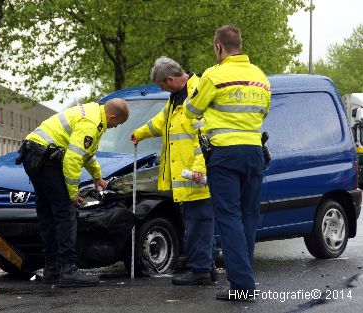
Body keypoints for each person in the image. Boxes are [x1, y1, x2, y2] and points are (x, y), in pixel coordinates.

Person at [184, 25, 271, 300]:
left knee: (229, 217)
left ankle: (243, 286)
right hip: (255, 152)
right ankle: (244, 280)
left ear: (218, 47)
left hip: (224, 155)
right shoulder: (261, 77)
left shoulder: (214, 75)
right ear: (240, 45)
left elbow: (191, 109)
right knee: (248, 216)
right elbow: (263, 111)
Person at [18, 98, 129, 288]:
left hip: (33, 155)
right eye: (117, 124)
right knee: (65, 213)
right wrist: (72, 193)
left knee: (48, 213)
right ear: (112, 117)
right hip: (45, 160)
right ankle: (68, 270)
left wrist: (97, 177)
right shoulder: (92, 123)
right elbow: (73, 159)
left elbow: (86, 153)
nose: (114, 127)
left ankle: (52, 269)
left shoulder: (93, 111)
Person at [131, 57, 216, 285]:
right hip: (186, 177)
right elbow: (160, 123)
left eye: (162, 85)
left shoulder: (197, 93)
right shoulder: (175, 99)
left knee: (199, 223)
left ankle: (200, 271)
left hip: (195, 176)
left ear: (170, 79)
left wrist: (199, 167)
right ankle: (206, 267)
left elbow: (204, 136)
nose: (162, 89)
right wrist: (139, 133)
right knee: (195, 222)